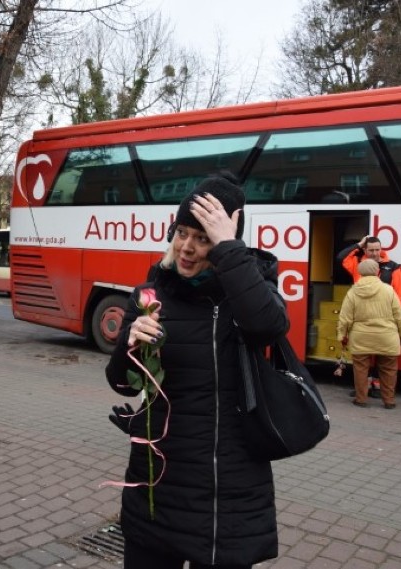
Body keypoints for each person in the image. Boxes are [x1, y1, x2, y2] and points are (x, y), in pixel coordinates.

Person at [105, 173, 289, 568]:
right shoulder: (150, 295)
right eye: (181, 232)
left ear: (225, 239)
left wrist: (229, 250)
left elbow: (270, 325)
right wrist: (130, 344)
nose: (186, 248)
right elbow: (120, 382)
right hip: (157, 483)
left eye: (202, 238)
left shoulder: (249, 288)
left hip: (228, 491)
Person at [336, 235, 401, 397]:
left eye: (377, 249)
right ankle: (364, 389)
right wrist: (358, 244)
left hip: (384, 320)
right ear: (365, 250)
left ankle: (376, 386)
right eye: (371, 250)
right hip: (362, 319)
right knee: (363, 357)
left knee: (381, 357)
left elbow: (400, 296)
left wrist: (397, 320)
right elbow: (341, 258)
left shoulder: (392, 267)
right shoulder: (357, 264)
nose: (375, 253)